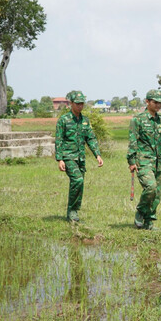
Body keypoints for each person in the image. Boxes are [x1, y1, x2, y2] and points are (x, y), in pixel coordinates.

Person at [127, 89, 161, 229]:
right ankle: (140, 211)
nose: (158, 105)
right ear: (147, 102)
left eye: (160, 103)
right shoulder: (137, 120)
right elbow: (132, 142)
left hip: (158, 162)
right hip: (143, 161)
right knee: (150, 187)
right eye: (155, 102)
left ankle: (149, 222)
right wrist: (131, 161)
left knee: (156, 194)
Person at [55, 90, 104, 222]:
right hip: (68, 157)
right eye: (77, 104)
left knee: (79, 185)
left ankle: (74, 212)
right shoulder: (64, 120)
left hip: (81, 158)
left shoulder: (85, 121)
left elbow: (91, 138)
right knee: (77, 180)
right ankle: (71, 211)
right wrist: (59, 159)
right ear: (71, 104)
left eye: (82, 104)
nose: (80, 106)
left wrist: (97, 155)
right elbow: (59, 140)